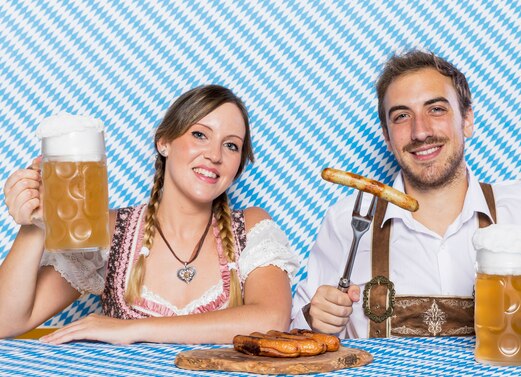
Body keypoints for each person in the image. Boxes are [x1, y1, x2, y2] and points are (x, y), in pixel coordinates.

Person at [291, 50, 521, 350]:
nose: (420, 131)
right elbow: (293, 332)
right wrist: (313, 321)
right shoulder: (346, 223)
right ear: (387, 137)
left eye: (436, 109)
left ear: (467, 120)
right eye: (401, 116)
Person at [0, 85, 299, 344]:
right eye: (199, 135)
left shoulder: (250, 227)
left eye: (231, 145)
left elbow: (271, 319)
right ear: (164, 142)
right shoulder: (109, 230)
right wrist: (36, 226)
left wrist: (132, 329)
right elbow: (6, 321)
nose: (215, 155)